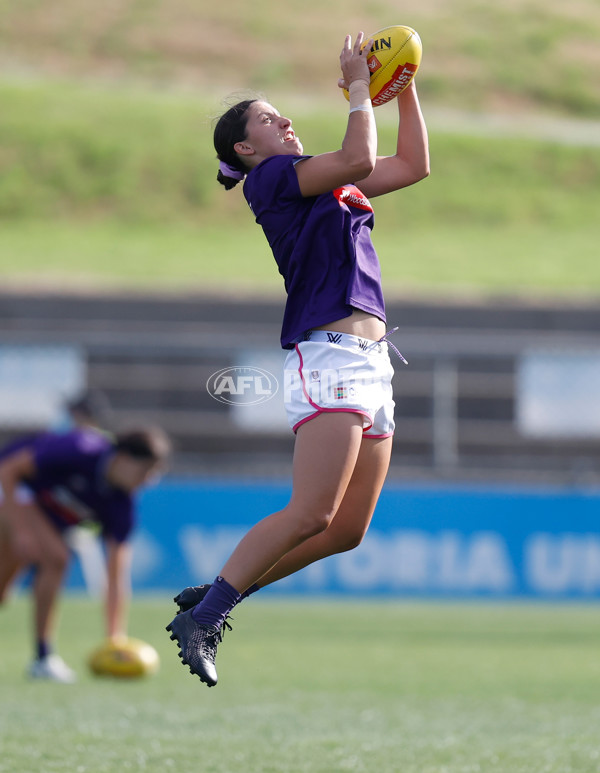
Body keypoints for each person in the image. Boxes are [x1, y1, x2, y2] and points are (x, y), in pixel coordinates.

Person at [166, 31, 430, 687]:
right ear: (245, 149)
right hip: (330, 356)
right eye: (266, 117)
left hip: (372, 364)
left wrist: (405, 85)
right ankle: (208, 613)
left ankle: (219, 595)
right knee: (311, 511)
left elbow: (412, 164)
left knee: (344, 531)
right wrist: (359, 89)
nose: (283, 119)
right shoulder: (273, 178)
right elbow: (362, 152)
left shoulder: (322, 177)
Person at [0, 425, 170, 682]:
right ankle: (43, 658)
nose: (149, 480)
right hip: (10, 485)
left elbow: (116, 574)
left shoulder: (121, 503)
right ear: (123, 458)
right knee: (57, 558)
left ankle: (42, 658)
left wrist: (115, 640)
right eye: (146, 470)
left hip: (33, 507)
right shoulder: (80, 450)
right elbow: (9, 469)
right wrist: (21, 530)